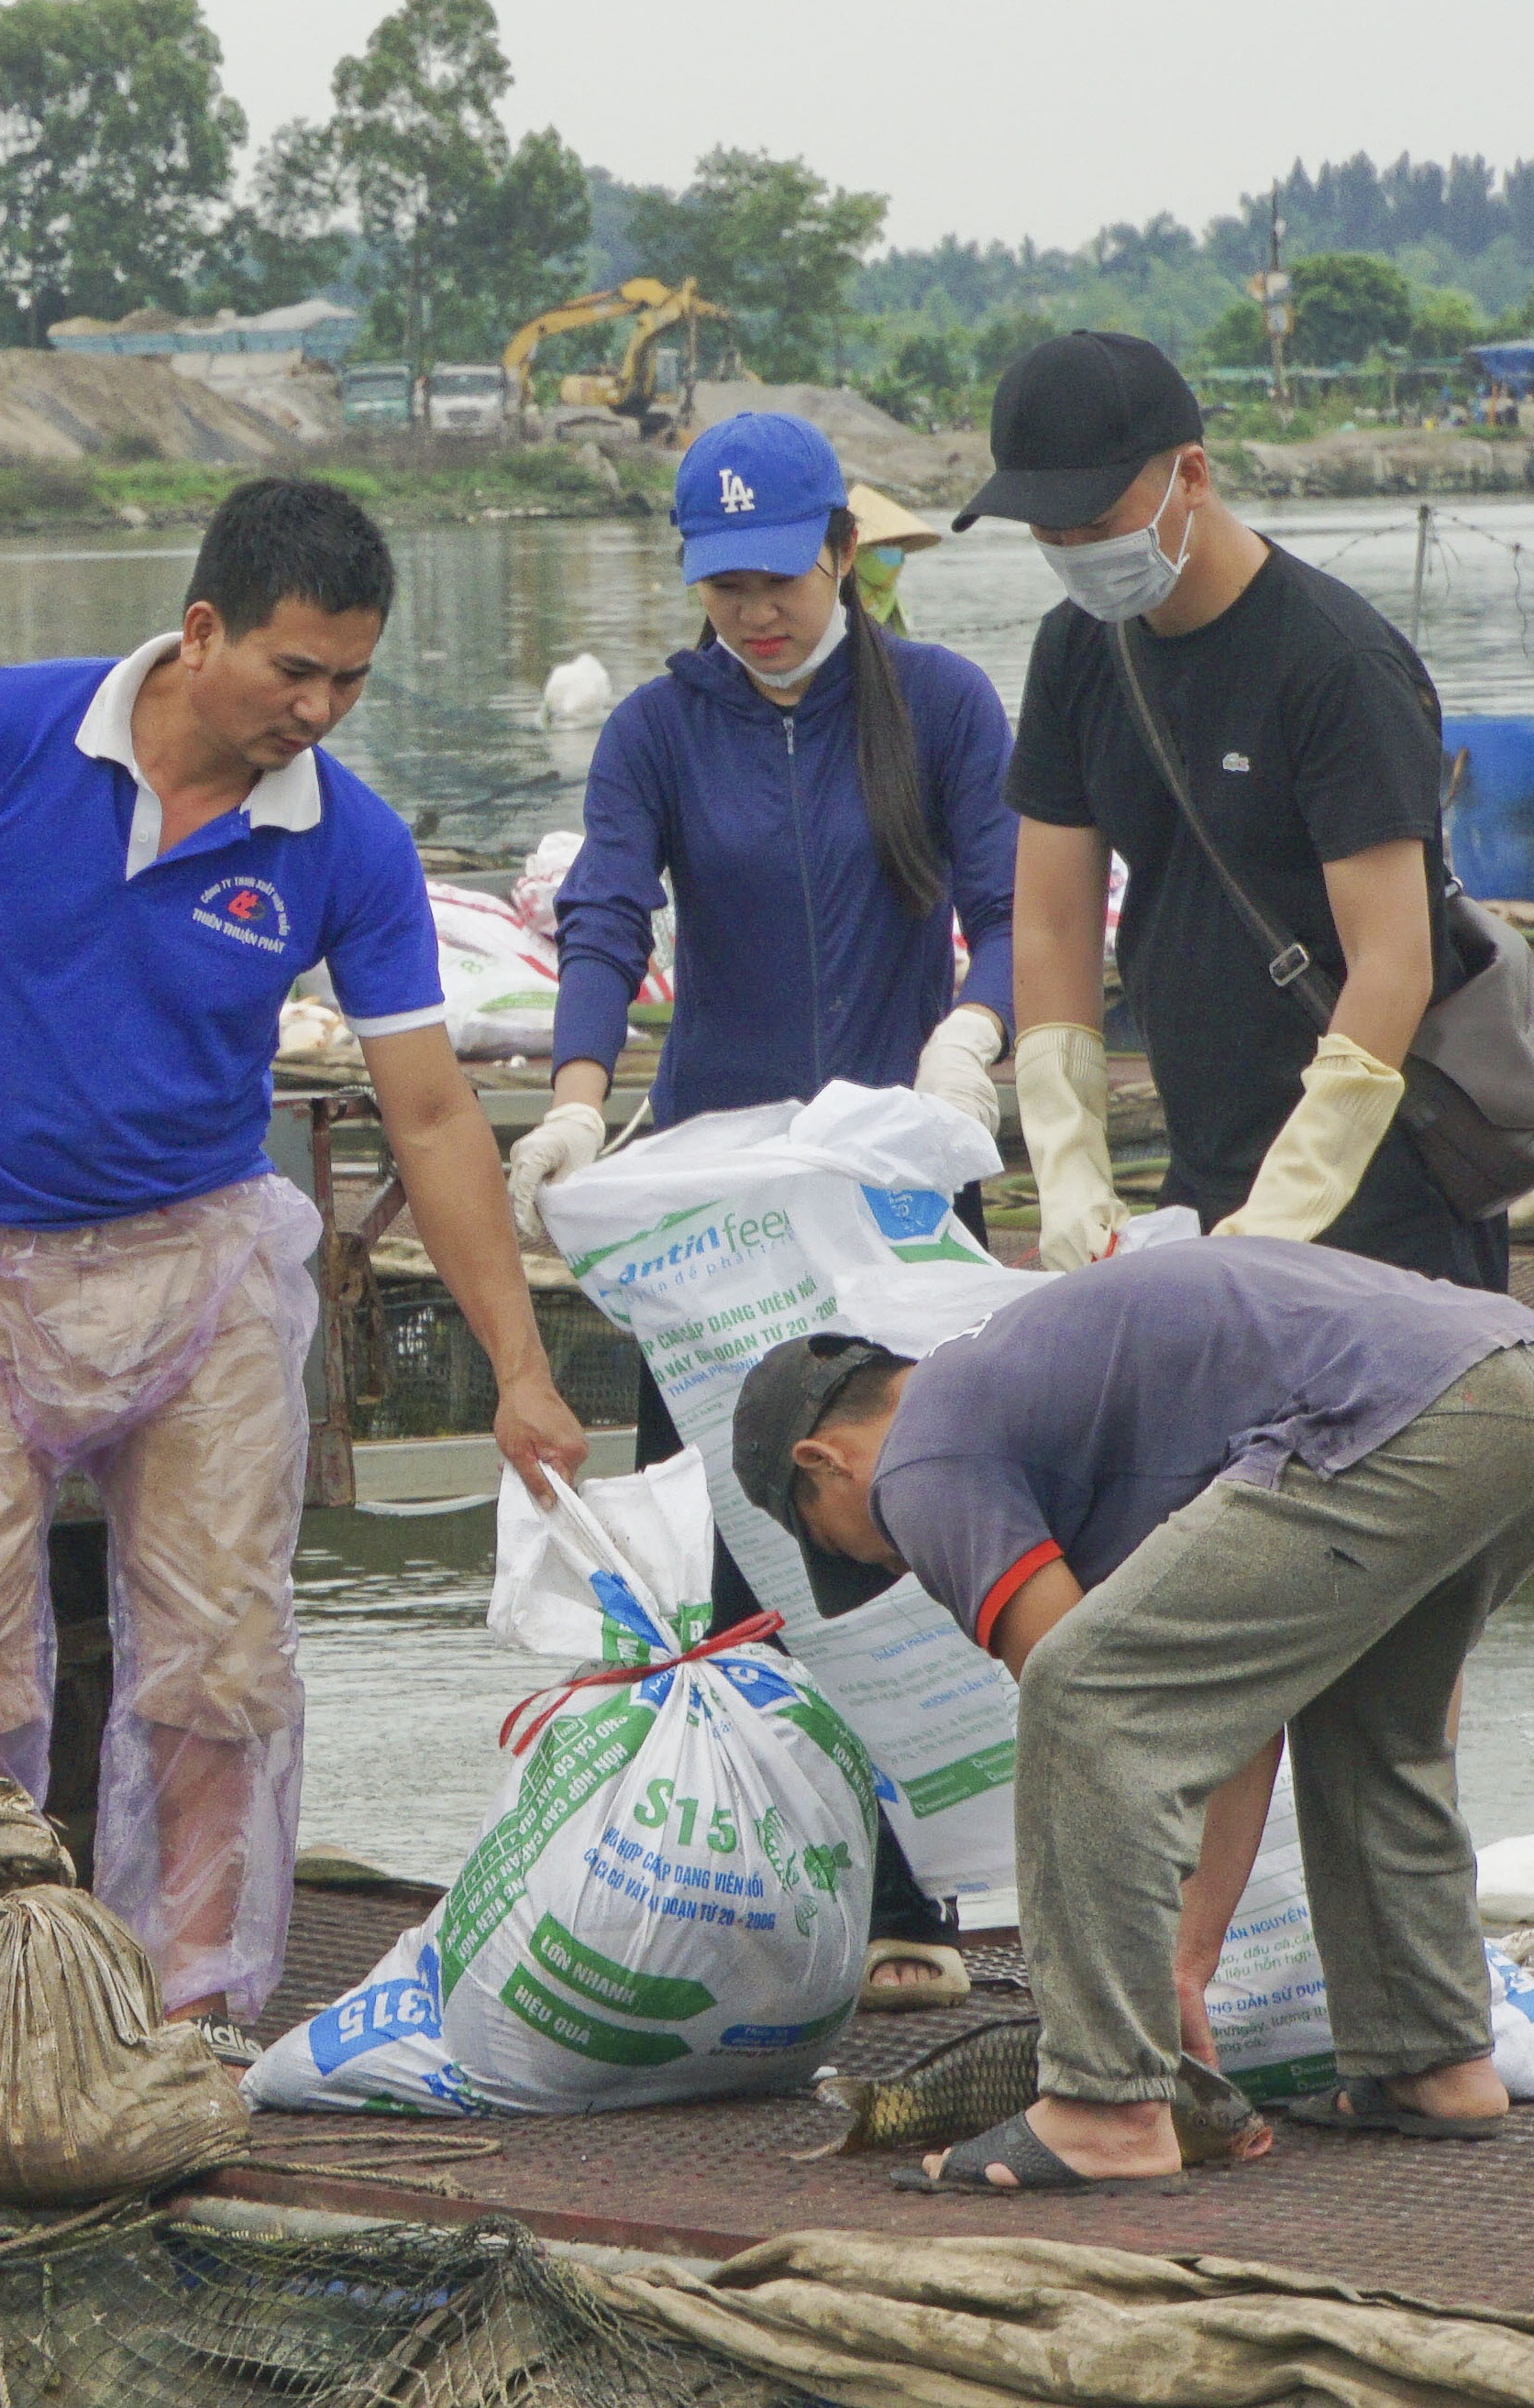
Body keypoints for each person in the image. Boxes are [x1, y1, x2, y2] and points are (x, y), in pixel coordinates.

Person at [0, 478, 592, 2056]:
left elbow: (427, 1109)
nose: (319, 708)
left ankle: (195, 2007)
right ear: (202, 628)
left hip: (200, 1266)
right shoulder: (3, 734)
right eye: (295, 669)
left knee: (223, 1652)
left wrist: (520, 1366)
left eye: (352, 678)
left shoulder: (341, 839)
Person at [732, 1240, 1534, 2193]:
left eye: (834, 1540)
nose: (884, 1562)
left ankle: (1103, 2107)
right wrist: (1186, 1964)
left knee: (1080, 1693)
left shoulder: (920, 1456)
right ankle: (1432, 2057)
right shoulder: (1033, 1400)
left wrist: (1143, 1991)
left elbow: (1098, 1706)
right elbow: (1220, 1712)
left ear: (821, 1458)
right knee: (1373, 1726)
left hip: (1399, 1413)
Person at [502, 410, 1021, 2010]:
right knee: (741, 1556)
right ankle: (770, 1887)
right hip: (717, 1220)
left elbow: (1011, 903)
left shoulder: (935, 704)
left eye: (782, 577)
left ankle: (933, 1882)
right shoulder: (659, 729)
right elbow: (605, 908)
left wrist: (974, 1035)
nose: (756, 612)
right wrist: (583, 1090)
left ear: (845, 553)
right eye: (723, 585)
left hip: (888, 1193)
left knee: (921, 1523)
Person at [959, 331, 1504, 1291]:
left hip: (1378, 1180)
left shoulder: (1334, 664)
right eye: (1046, 531)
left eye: (1092, 520)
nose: (1073, 552)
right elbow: (1048, 921)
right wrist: (1066, 1156)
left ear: (1192, 476)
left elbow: (1393, 958)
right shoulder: (1078, 652)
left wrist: (1293, 1201)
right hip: (1202, 1171)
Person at [844, 482, 946, 636]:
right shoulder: (840, 605)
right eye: (881, 546)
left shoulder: (893, 603)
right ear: (856, 552)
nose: (893, 556)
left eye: (896, 546)